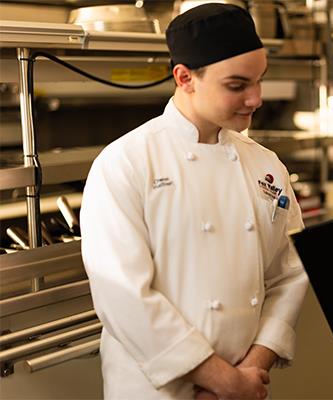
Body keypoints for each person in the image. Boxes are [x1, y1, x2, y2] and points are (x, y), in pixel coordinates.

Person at [80, 4, 308, 399]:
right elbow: (123, 294)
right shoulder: (126, 163)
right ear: (185, 78)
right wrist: (221, 380)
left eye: (259, 81)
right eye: (237, 86)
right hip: (158, 389)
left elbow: (290, 272)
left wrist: (251, 369)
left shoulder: (265, 164)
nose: (255, 99)